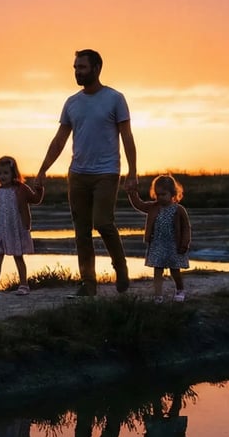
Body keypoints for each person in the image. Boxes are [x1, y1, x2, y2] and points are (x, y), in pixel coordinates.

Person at [36, 49, 137, 297]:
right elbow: (59, 139)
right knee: (81, 231)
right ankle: (88, 283)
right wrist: (42, 170)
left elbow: (127, 137)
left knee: (103, 222)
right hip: (78, 174)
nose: (77, 72)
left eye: (81, 67)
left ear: (97, 68)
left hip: (107, 172)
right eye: (75, 68)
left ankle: (120, 267)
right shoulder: (72, 103)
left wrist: (133, 172)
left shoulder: (115, 98)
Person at [0, 156, 44, 297]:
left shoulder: (21, 189)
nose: (2, 176)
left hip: (16, 228)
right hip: (1, 229)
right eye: (0, 173)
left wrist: (39, 189)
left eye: (6, 173)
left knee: (18, 256)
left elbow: (35, 199)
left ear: (13, 173)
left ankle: (24, 285)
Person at [127, 174, 191, 302]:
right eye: (158, 194)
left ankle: (180, 290)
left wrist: (185, 244)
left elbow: (186, 228)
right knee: (158, 271)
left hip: (174, 245)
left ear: (172, 193)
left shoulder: (179, 210)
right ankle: (158, 295)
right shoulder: (153, 207)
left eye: (163, 194)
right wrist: (132, 192)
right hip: (158, 244)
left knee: (175, 271)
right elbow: (138, 204)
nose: (160, 197)